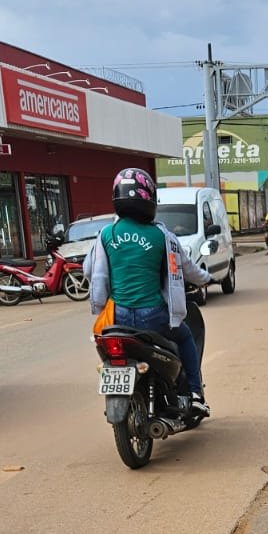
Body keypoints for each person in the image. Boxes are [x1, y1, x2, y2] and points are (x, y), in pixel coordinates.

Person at [86, 168, 212, 415]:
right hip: (153, 317)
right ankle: (195, 393)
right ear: (149, 198)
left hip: (118, 317)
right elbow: (187, 269)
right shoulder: (161, 235)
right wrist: (208, 278)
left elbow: (91, 271)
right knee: (186, 337)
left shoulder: (106, 234)